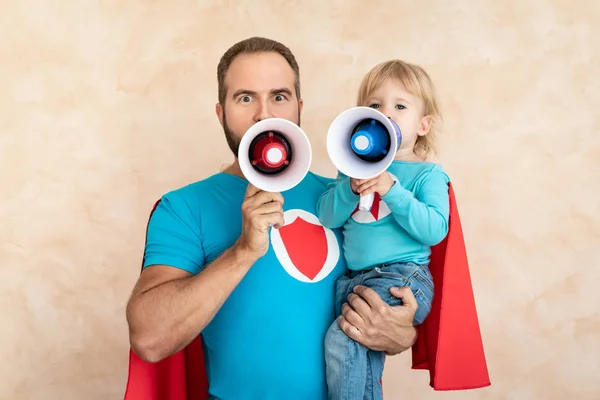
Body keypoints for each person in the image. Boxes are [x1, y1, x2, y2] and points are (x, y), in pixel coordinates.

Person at [125, 37, 420, 400]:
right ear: (221, 113)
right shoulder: (184, 208)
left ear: (299, 107)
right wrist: (244, 250)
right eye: (245, 98)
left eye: (278, 97)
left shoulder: (351, 198)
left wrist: (402, 333)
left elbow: (397, 286)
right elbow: (149, 339)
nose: (263, 115)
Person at [316, 59, 450, 400]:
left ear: (423, 124)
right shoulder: (351, 166)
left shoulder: (427, 174)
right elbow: (328, 217)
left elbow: (434, 230)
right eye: (375, 105)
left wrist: (394, 190)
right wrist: (348, 187)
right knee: (361, 356)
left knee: (342, 339)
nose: (386, 113)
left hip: (401, 277)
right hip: (355, 279)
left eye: (400, 106)